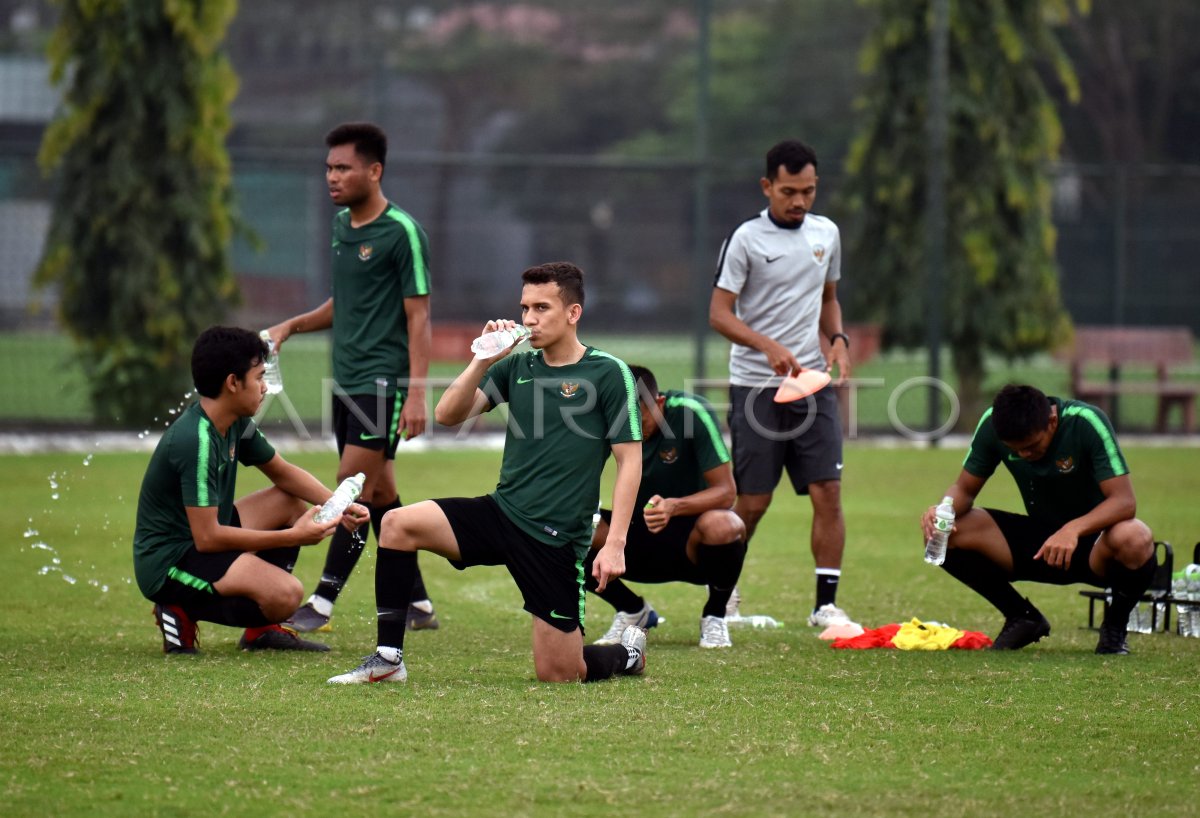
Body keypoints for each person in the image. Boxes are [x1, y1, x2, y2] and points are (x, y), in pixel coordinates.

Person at [327, 261, 648, 684]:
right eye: (525, 308)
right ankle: (388, 659)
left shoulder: (608, 372)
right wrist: (482, 359)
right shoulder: (516, 367)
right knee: (398, 524)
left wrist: (615, 544)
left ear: (573, 314)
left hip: (555, 538)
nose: (529, 319)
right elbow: (447, 414)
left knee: (560, 673)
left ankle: (627, 654)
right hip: (502, 513)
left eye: (542, 308)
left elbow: (630, 460)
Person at [267, 122, 439, 634]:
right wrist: (293, 325)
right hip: (344, 381)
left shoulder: (402, 232)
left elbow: (419, 317)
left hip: (382, 384)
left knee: (352, 487)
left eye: (343, 167)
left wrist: (417, 394)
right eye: (328, 168)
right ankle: (420, 604)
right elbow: (347, 304)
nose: (332, 177)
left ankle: (320, 602)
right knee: (381, 494)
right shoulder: (343, 226)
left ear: (374, 170)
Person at [134, 326, 370, 654]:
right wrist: (293, 537)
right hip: (172, 559)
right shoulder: (196, 441)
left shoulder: (235, 422)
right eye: (259, 377)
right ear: (233, 383)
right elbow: (208, 538)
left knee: (287, 503)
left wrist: (338, 505)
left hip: (199, 538)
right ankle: (178, 608)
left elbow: (283, 474)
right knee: (286, 596)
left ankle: (261, 632)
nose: (265, 387)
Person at [709, 139, 853, 628]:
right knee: (753, 501)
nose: (799, 202)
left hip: (812, 383)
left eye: (809, 191)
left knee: (828, 492)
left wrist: (837, 339)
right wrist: (765, 345)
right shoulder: (746, 239)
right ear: (767, 186)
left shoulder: (826, 233)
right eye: (789, 191)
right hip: (755, 387)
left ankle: (825, 605)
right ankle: (722, 599)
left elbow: (829, 297)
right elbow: (719, 314)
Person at [922, 384, 1155, 654]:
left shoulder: (1086, 422)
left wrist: (1073, 530)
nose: (1024, 455)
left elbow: (1124, 502)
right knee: (946, 533)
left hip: (1097, 546)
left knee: (1135, 537)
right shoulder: (992, 424)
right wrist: (943, 510)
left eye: (1032, 446)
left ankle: (1114, 628)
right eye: (1015, 449)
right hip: (1041, 544)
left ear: (1052, 421)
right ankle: (1022, 617)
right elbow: (963, 489)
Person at [586, 365, 747, 649]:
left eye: (641, 418)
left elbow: (727, 493)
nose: (633, 429)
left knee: (727, 525)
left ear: (659, 402)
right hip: (633, 536)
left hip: (693, 544)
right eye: (626, 421)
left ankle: (715, 615)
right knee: (567, 527)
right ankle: (633, 610)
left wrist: (673, 506)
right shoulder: (604, 420)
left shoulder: (690, 413)